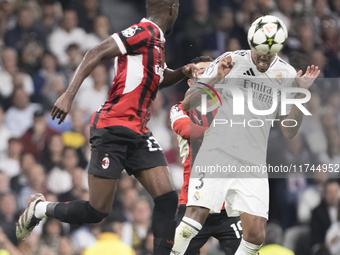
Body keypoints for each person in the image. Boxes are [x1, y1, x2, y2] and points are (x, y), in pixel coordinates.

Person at [17, 1, 198, 255]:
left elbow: (157, 79)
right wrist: (69, 94)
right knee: (96, 211)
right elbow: (95, 52)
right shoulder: (143, 32)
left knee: (168, 199)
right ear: (172, 8)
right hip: (113, 128)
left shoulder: (156, 42)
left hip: (138, 132)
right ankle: (40, 208)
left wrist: (182, 71)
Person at [171, 15, 320, 255]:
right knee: (194, 221)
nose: (263, 58)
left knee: (256, 235)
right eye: (259, 51)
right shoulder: (229, 61)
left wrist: (299, 95)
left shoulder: (286, 73)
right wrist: (217, 77)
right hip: (218, 151)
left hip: (253, 161)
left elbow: (289, 131)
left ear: (278, 50)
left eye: (269, 54)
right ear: (250, 43)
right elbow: (188, 103)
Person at [170, 56, 241, 254]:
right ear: (190, 82)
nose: (208, 76)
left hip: (228, 206)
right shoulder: (178, 109)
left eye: (211, 71)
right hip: (192, 202)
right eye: (202, 72)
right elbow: (187, 131)